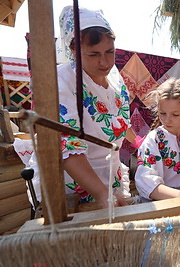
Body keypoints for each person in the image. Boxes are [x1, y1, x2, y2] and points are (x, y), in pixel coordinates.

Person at [27, 6, 136, 209]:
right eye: (94, 54)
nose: (104, 61)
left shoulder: (115, 80)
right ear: (73, 50)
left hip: (108, 177)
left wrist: (140, 143)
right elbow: (65, 145)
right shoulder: (61, 81)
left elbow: (119, 123)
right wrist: (101, 194)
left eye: (110, 51)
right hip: (72, 185)